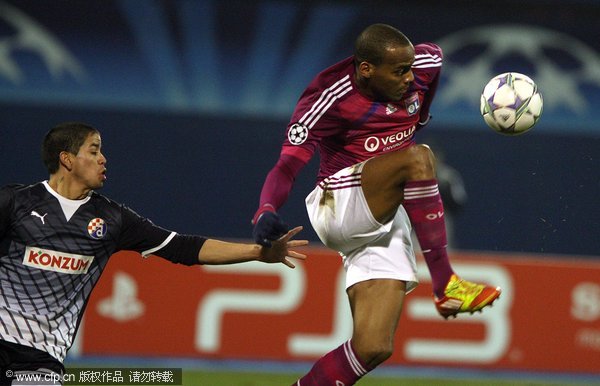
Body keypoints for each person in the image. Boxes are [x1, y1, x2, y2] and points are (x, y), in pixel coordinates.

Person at [251, 24, 501, 385]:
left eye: (411, 69)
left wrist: (422, 114)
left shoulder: (425, 64)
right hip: (337, 202)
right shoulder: (328, 97)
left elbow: (435, 62)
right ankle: (446, 285)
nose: (410, 78)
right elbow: (287, 166)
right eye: (400, 71)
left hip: (383, 215)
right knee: (419, 159)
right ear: (366, 69)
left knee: (373, 346)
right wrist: (265, 210)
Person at [0, 122, 308, 385]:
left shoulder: (113, 219)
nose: (104, 159)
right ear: (66, 159)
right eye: (93, 151)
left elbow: (183, 248)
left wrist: (257, 252)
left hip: (39, 360)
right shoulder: (16, 202)